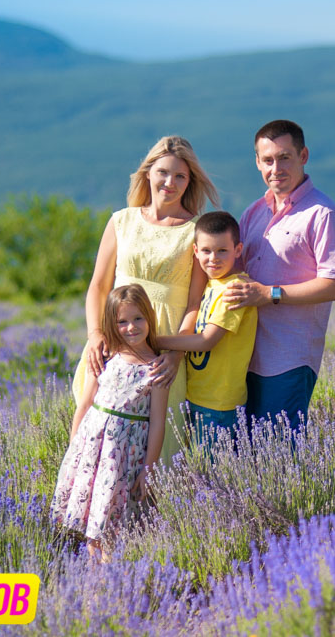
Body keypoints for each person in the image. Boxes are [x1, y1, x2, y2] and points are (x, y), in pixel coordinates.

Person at [72, 135, 218, 463]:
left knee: (158, 444)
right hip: (115, 338)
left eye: (181, 176)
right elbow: (98, 286)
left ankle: (154, 513)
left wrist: (175, 355)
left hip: (165, 351)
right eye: (163, 172)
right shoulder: (121, 221)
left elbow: (196, 302)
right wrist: (95, 335)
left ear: (190, 181)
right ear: (148, 173)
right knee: (101, 433)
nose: (170, 182)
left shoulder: (196, 230)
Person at [223, 119, 335, 429]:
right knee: (245, 457)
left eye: (284, 157)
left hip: (289, 359)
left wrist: (270, 294)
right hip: (244, 356)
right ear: (257, 162)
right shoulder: (254, 212)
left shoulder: (322, 214)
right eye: (268, 160)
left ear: (303, 156)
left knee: (277, 458)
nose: (275, 168)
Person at [52, 284, 170, 561]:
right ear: (112, 324)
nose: (131, 327)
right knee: (92, 520)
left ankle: (109, 581)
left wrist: (148, 469)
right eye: (122, 322)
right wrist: (74, 449)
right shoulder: (106, 356)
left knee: (112, 522)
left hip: (124, 457)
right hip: (92, 451)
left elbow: (157, 424)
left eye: (138, 318)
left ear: (149, 318)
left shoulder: (156, 368)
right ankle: (94, 579)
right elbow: (84, 404)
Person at [155, 211, 257, 453]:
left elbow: (206, 341)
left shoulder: (236, 288)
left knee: (211, 478)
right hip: (197, 397)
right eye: (207, 251)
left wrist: (153, 340)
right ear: (195, 251)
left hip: (220, 403)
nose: (213, 258)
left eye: (223, 250)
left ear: (238, 250)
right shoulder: (212, 285)